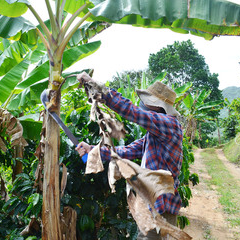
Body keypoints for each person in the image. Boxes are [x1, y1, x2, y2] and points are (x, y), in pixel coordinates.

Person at [75, 72, 183, 240]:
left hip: (160, 208)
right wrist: (93, 150)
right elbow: (126, 151)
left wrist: (98, 88)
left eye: (148, 102)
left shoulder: (169, 125)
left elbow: (133, 112)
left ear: (158, 106)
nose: (143, 105)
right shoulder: (153, 135)